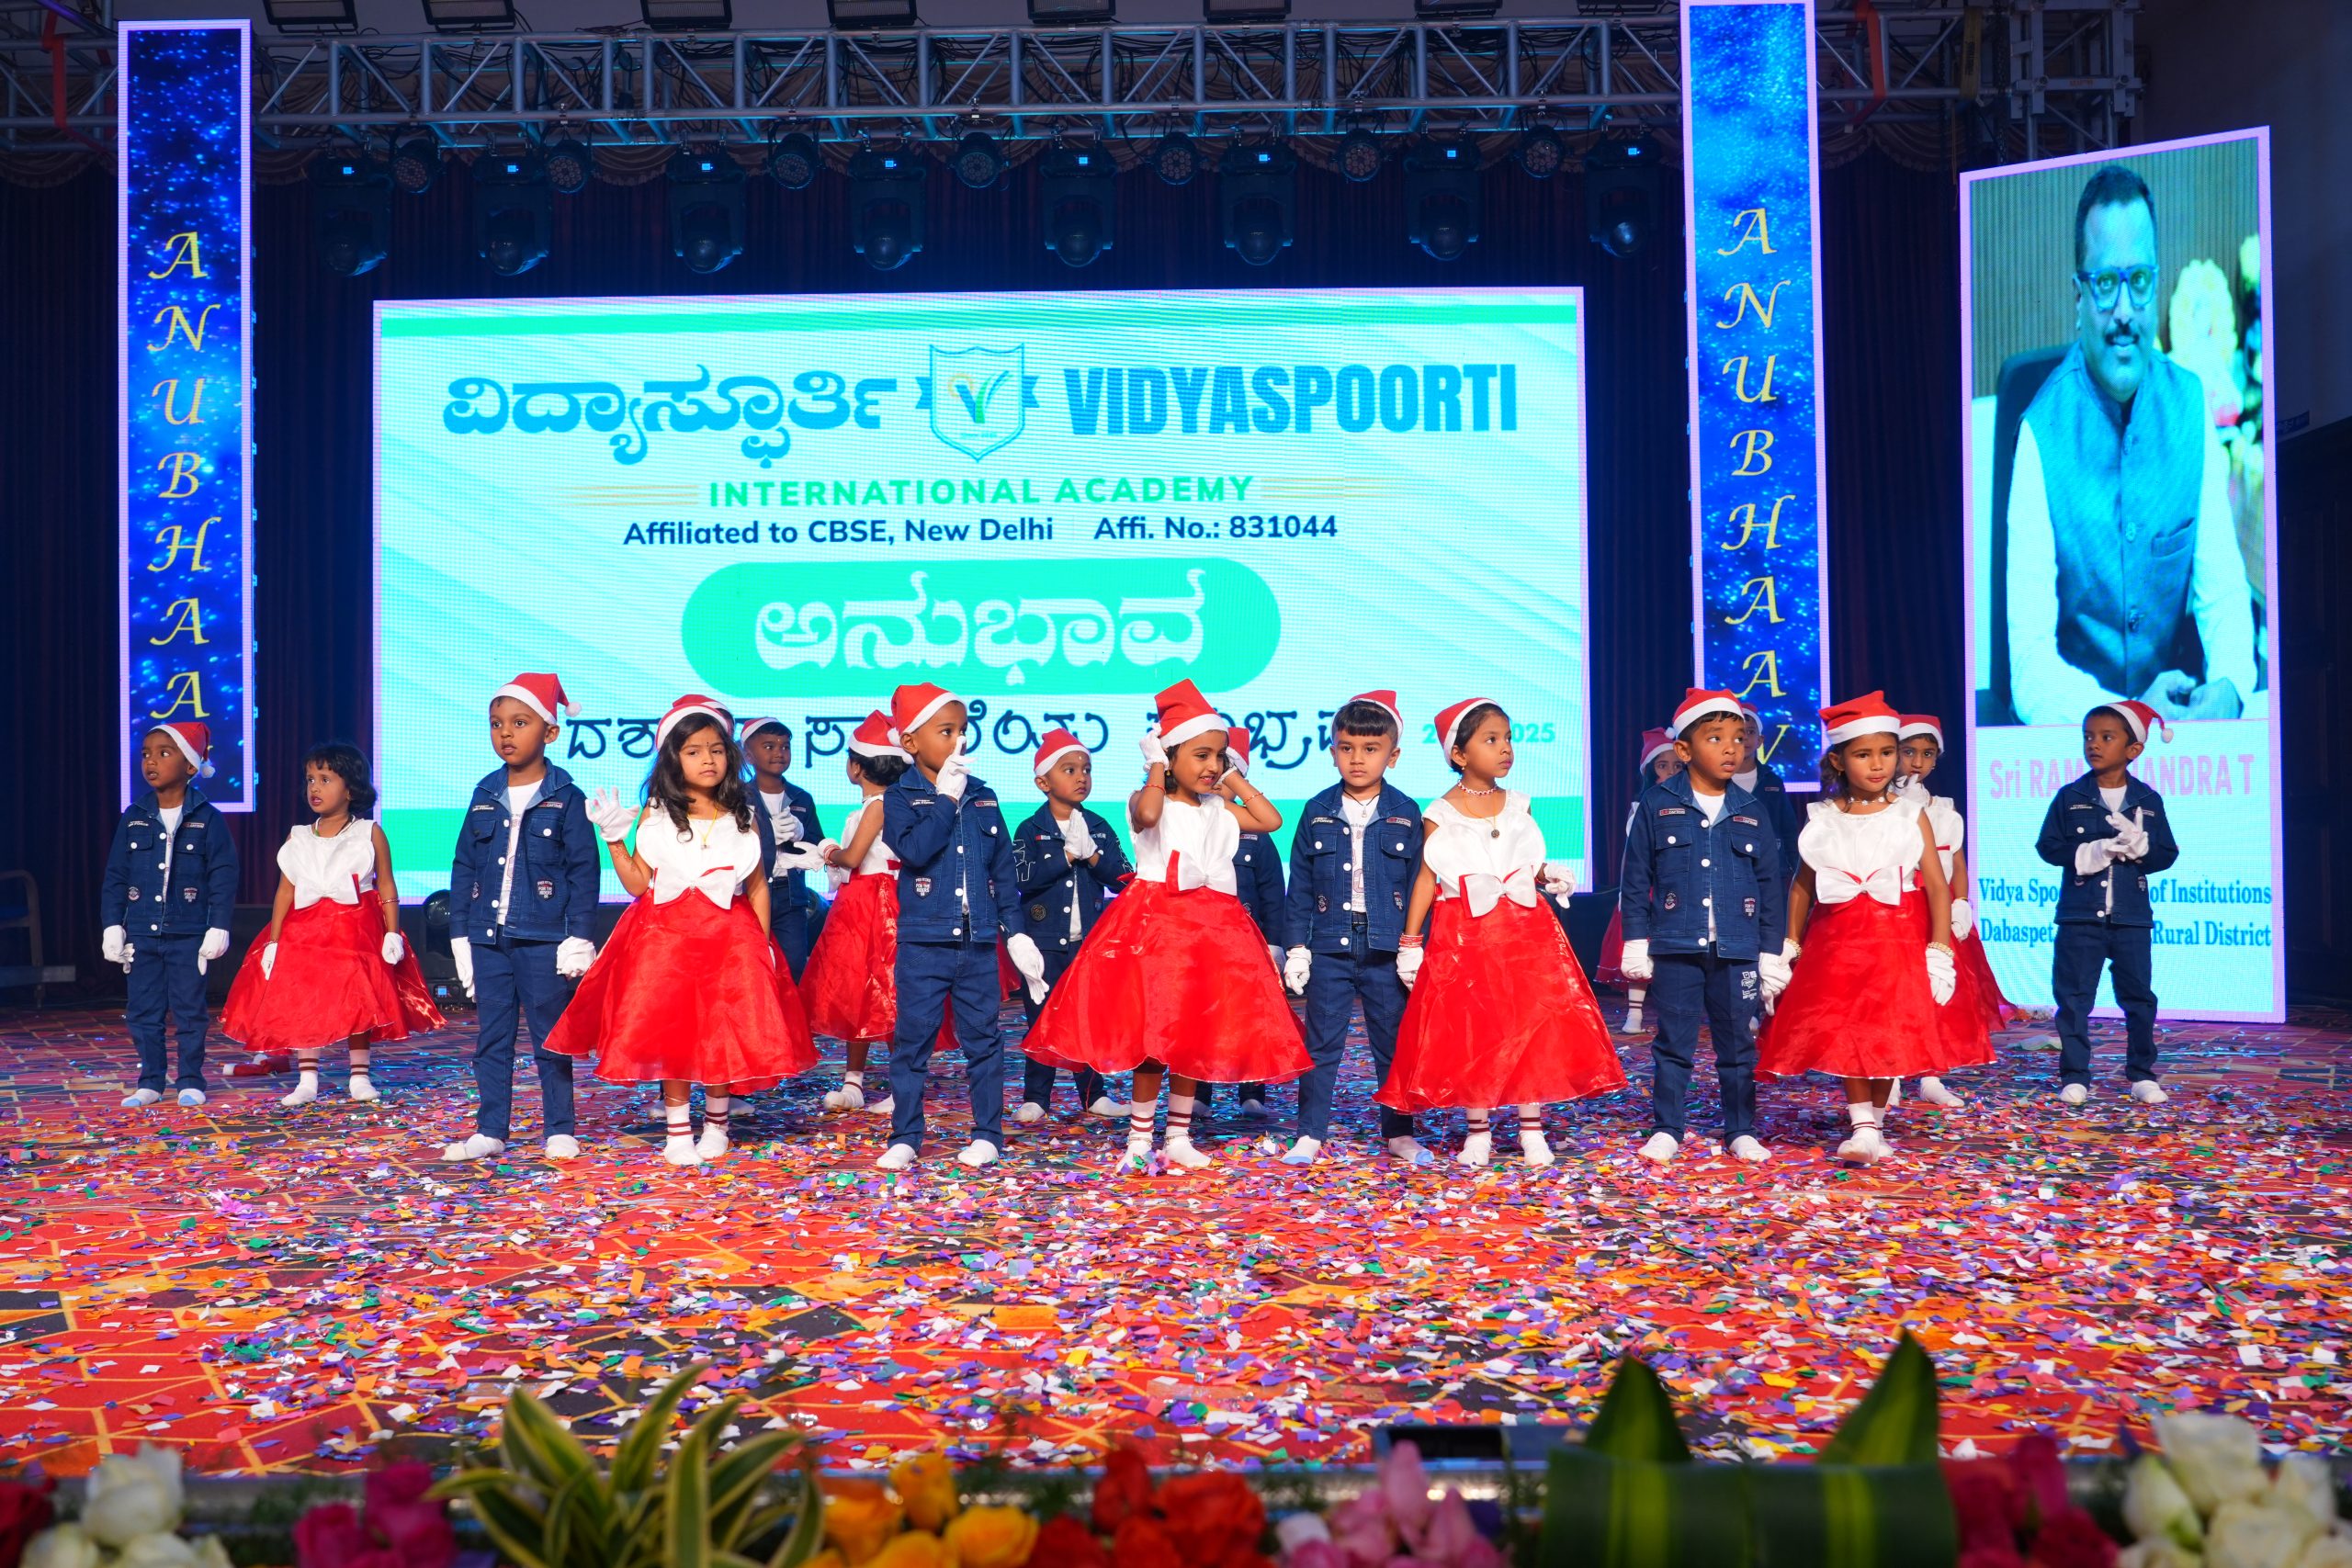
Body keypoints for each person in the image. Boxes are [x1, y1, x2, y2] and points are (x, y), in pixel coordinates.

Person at [2004, 162, 2257, 727]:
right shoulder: (2037, 436)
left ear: (2155, 284)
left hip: (2174, 736)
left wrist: (2231, 687)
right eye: (2105, 284)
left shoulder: (2191, 406)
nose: (2124, 312)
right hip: (2077, 739)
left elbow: (2223, 593)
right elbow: (2030, 671)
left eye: (2138, 281)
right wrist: (2133, 714)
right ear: (2078, 296)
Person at [1024, 680, 1311, 1172]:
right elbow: (1151, 813)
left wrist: (1232, 776)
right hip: (1157, 929)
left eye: (1218, 756)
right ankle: (1140, 1138)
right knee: (1155, 1039)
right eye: (1201, 755)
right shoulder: (1146, 799)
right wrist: (1157, 763)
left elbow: (1270, 821)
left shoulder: (1220, 808)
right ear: (1169, 757)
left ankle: (1178, 1134)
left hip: (1214, 932)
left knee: (1193, 1036)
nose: (1211, 765)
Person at [548, 695, 818, 1167]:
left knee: (722, 1030)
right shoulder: (656, 814)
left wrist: (761, 944)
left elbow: (757, 886)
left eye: (715, 749)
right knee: (672, 1031)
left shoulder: (742, 813)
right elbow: (638, 883)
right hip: (665, 940)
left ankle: (717, 1126)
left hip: (729, 940)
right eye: (693, 751)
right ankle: (677, 1131)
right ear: (674, 759)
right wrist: (613, 839)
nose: (707, 760)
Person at [1380, 698, 1623, 1168]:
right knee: (1475, 1029)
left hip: (1524, 931)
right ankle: (1479, 1130)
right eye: (1491, 740)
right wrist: (1411, 942)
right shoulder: (1440, 812)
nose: (1506, 748)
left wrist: (1549, 874)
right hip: (1464, 933)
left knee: (1527, 1025)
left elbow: (1527, 864)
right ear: (1459, 754)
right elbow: (1427, 877)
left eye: (1508, 738)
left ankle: (1531, 1129)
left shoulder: (1519, 804)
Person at [1756, 694, 1966, 1165]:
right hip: (1838, 939)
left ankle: (1875, 1124)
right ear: (1838, 760)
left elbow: (1937, 884)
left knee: (1888, 1027)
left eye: (1887, 752)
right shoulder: (1824, 817)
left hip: (1897, 937)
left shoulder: (1910, 815)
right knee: (1849, 1026)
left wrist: (1940, 947)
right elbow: (1802, 885)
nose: (1877, 764)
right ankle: (1863, 1126)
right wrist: (1789, 944)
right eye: (1864, 754)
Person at [875, 682, 1049, 1171]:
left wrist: (1016, 933)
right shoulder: (900, 797)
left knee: (985, 1040)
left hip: (977, 944)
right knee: (913, 1042)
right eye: (946, 731)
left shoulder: (984, 797)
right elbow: (914, 851)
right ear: (911, 742)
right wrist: (946, 800)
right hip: (924, 943)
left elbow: (1003, 873)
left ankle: (988, 1134)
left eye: (963, 730)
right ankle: (906, 1136)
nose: (959, 741)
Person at [1616, 690, 1787, 1167]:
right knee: (1674, 1042)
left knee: (1738, 1044)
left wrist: (1771, 952)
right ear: (1685, 749)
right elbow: (1636, 879)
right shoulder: (1657, 804)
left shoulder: (1752, 809)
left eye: (1738, 738)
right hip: (1676, 946)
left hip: (1738, 949)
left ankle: (1741, 1129)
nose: (1731, 747)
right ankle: (1667, 1128)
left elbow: (1771, 885)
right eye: (1715, 738)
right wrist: (1636, 941)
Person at [220, 742, 445, 1106]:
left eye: (325, 779)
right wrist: (274, 941)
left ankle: (359, 1076)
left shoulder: (369, 832)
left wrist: (392, 932)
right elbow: (285, 891)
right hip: (304, 932)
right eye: (311, 779)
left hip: (355, 929)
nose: (315, 787)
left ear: (351, 788)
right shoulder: (298, 836)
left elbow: (386, 884)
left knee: (359, 998)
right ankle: (307, 1079)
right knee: (303, 998)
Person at [442, 672, 602, 1164]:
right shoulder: (484, 793)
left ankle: (560, 1128)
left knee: (551, 1036)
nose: (506, 733)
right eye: (496, 724)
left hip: (543, 939)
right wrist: (461, 934)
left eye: (519, 722)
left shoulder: (567, 797)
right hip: (488, 938)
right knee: (492, 1038)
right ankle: (491, 1129)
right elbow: (464, 865)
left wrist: (579, 936)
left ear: (550, 732)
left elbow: (583, 871)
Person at [1279, 690, 1429, 1166]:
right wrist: (1297, 948)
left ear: (1393, 755)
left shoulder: (1407, 811)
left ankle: (1399, 1133)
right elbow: (1300, 886)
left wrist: (1414, 945)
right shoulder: (1317, 809)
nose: (1357, 759)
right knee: (1322, 1043)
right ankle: (1310, 1133)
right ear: (1333, 751)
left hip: (1387, 947)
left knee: (1393, 1043)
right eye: (1347, 748)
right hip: (1330, 946)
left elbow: (1421, 883)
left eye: (1370, 749)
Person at [2034, 698, 2180, 1107]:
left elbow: (2167, 854)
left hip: (2132, 918)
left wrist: (2142, 849)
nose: (2093, 744)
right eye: (2088, 736)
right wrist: (2090, 851)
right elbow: (2048, 846)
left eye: (2106, 737)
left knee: (2139, 997)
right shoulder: (2070, 796)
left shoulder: (2147, 799)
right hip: (2080, 915)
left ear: (2134, 749)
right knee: (2074, 997)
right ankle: (2075, 1075)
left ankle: (2142, 1074)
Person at [102, 721, 238, 1109]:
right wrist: (112, 925)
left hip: (188, 933)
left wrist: (218, 926)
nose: (151, 761)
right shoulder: (135, 816)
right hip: (141, 933)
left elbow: (223, 874)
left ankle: (190, 1080)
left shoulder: (208, 818)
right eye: (146, 754)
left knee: (190, 1010)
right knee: (143, 1010)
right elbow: (116, 875)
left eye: (164, 753)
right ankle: (150, 1080)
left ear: (191, 766)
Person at [1894, 714, 2022, 1105]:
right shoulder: (1882, 808)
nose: (1918, 762)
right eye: (1909, 752)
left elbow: (1957, 864)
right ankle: (1891, 1074)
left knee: (1940, 994)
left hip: (1937, 913)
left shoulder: (1944, 811)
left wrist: (1962, 902)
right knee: (1897, 994)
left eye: (1927, 754)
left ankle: (1931, 1075)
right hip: (1898, 912)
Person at [1011, 728, 1133, 1124]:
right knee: (1041, 1019)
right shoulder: (1030, 829)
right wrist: (1064, 857)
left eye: (1086, 769)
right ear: (1043, 783)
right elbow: (1021, 878)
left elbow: (1125, 879)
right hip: (1043, 942)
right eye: (1069, 770)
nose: (1081, 777)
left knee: (1088, 1018)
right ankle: (1037, 1097)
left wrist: (1093, 857)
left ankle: (1094, 1095)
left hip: (1089, 943)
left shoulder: (1098, 826)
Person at [801, 712, 911, 1118]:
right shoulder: (873, 806)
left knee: (886, 992)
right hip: (858, 902)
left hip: (878, 904)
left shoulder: (879, 806)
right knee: (856, 990)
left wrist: (826, 849)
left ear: (855, 767)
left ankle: (903, 1086)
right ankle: (853, 1082)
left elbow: (852, 857)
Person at [1196, 726, 1287, 1119]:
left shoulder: (1256, 837)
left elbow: (1273, 895)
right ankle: (1198, 1093)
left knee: (1250, 1021)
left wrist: (1276, 945)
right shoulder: (1190, 822)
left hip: (1247, 947)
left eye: (1226, 775)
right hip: (1201, 943)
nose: (1216, 782)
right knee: (1200, 1019)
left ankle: (1252, 1092)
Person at [1597, 728, 1679, 1033]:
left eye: (1677, 765)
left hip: (1681, 888)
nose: (1670, 772)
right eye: (1662, 765)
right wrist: (1626, 891)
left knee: (1675, 954)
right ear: (1649, 771)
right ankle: (1634, 1015)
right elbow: (1631, 857)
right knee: (1639, 948)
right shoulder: (1642, 807)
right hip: (1649, 889)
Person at [741, 716, 826, 979]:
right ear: (748, 755)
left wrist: (801, 834)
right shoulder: (737, 796)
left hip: (791, 896)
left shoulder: (802, 797)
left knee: (793, 967)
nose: (779, 752)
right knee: (754, 966)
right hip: (750, 893)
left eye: (785, 746)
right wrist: (765, 836)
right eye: (769, 746)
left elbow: (817, 845)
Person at [1735, 702, 1803, 884]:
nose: (1745, 737)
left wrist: (1796, 871)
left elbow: (1788, 829)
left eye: (1750, 732)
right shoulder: (1718, 780)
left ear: (1760, 740)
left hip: (1770, 870)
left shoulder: (1773, 781)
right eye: (1739, 733)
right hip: (1731, 869)